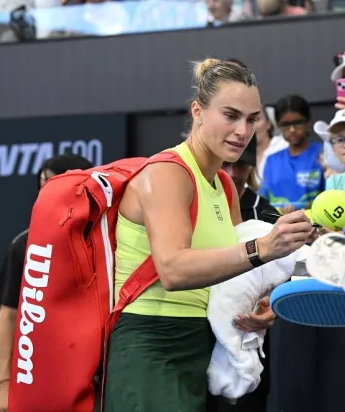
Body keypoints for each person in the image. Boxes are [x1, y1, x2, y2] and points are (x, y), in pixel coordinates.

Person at [102, 59, 313, 412]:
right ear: (197, 111)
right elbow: (173, 270)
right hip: (149, 344)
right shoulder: (168, 173)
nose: (242, 130)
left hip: (204, 345)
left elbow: (228, 278)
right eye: (230, 115)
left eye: (252, 118)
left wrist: (261, 305)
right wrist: (263, 247)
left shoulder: (227, 186)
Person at [0, 153, 94, 412]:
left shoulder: (107, 239)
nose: (45, 190)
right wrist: (4, 386)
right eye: (42, 183)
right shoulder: (25, 244)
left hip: (91, 375)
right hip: (38, 373)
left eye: (53, 181)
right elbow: (9, 316)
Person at [213, 135, 277, 412]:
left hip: (252, 337)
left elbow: (290, 271)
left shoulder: (266, 212)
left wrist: (273, 303)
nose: (233, 172)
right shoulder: (193, 204)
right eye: (227, 163)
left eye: (242, 164)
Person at [260, 94, 325, 213]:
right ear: (278, 126)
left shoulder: (322, 153)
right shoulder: (272, 160)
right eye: (285, 125)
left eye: (298, 123)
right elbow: (263, 200)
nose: (292, 130)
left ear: (308, 123)